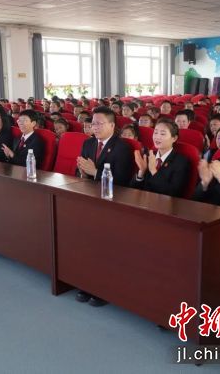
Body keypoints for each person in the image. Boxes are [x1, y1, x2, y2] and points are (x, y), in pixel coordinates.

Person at [75, 106, 133, 307]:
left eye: (99, 123)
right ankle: (86, 281)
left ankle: (103, 287)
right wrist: (83, 172)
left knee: (102, 246)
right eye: (93, 123)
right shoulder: (88, 143)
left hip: (113, 203)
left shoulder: (122, 148)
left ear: (112, 125)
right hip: (90, 198)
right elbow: (81, 171)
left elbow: (123, 182)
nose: (95, 127)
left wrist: (95, 172)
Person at [130, 118, 189, 197]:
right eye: (155, 132)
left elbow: (172, 193)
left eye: (162, 134)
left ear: (174, 138)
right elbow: (133, 189)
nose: (157, 137)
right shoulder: (148, 155)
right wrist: (141, 172)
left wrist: (153, 171)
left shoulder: (181, 162)